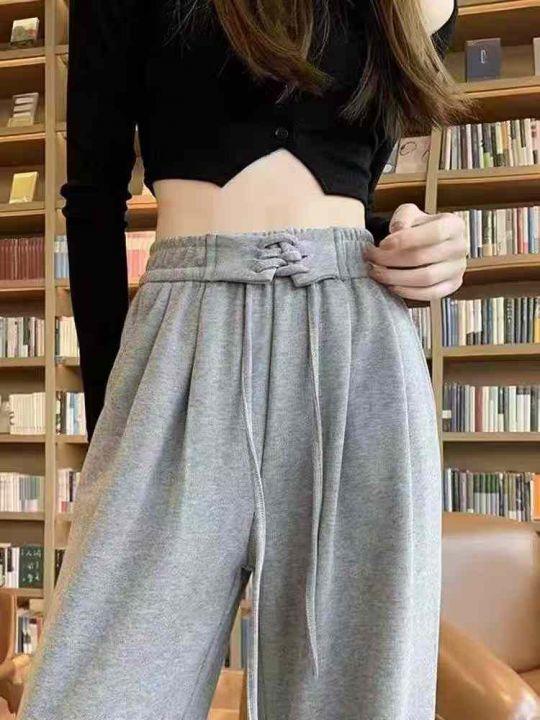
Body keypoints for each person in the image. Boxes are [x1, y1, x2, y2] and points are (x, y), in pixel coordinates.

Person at [17, 1, 471, 719]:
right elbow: (92, 200)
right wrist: (113, 421)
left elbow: (352, 185)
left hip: (357, 345)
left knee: (362, 696)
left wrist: (413, 235)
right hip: (184, 333)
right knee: (95, 694)